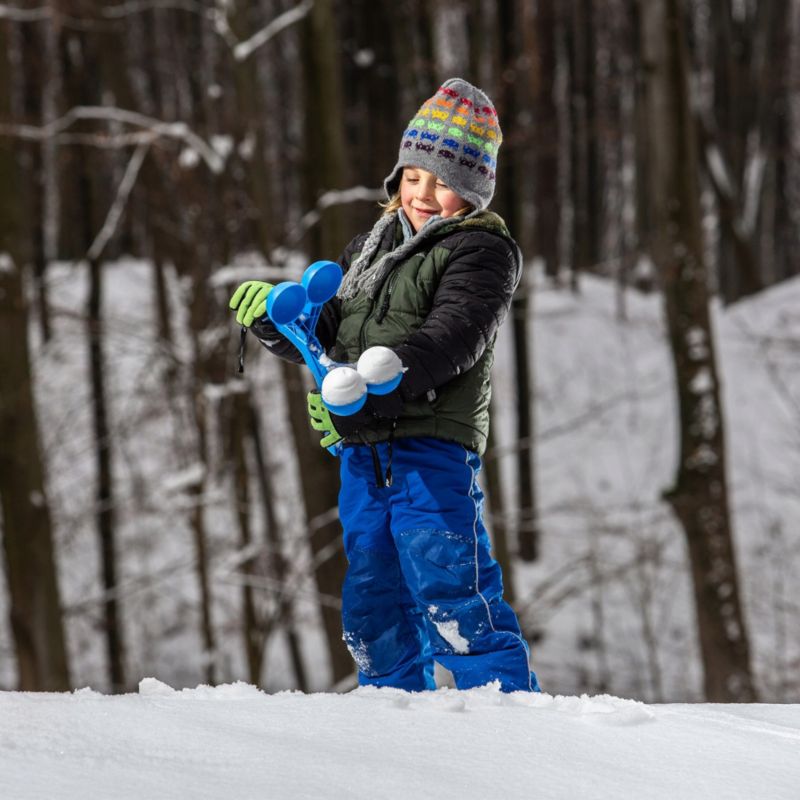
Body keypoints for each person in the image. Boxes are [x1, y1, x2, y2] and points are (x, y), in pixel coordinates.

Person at [230, 78, 540, 693]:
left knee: (450, 580)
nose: (424, 193)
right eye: (415, 177)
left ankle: (508, 714)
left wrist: (375, 381)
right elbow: (330, 335)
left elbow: (453, 338)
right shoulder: (368, 248)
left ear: (474, 190)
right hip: (364, 454)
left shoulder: (480, 250)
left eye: (445, 181)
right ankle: (391, 712)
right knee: (372, 595)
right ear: (397, 177)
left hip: (430, 447)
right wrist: (276, 322)